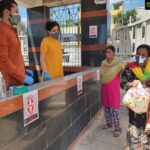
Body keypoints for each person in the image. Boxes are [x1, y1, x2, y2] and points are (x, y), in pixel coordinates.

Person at [121, 44, 150, 149]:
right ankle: (131, 145)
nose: (141, 57)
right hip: (135, 109)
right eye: (138, 54)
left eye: (144, 55)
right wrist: (131, 84)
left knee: (146, 138)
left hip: (148, 111)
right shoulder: (131, 68)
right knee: (134, 130)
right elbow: (123, 83)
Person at [0, 0, 34, 88]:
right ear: (6, 12)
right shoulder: (2, 31)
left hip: (18, 81)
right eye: (16, 12)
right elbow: (3, 60)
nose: (19, 15)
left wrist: (23, 70)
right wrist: (22, 76)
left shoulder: (12, 30)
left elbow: (14, 56)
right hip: (11, 84)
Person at [100, 45, 125, 137]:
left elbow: (123, 72)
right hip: (105, 88)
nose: (107, 54)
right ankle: (109, 123)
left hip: (113, 90)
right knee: (106, 108)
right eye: (106, 52)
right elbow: (102, 74)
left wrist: (123, 67)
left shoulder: (118, 64)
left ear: (114, 53)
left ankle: (118, 128)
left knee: (114, 109)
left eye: (109, 52)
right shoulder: (103, 63)